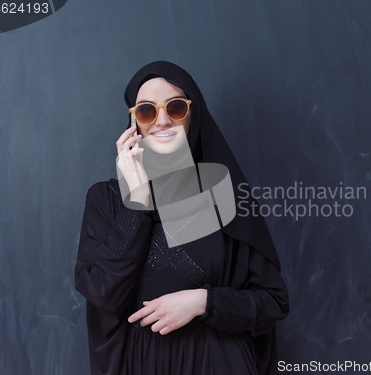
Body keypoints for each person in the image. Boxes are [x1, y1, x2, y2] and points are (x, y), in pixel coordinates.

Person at [75, 61, 289, 375]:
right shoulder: (105, 200)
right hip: (142, 364)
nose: (162, 121)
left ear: (193, 115)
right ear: (133, 122)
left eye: (175, 107)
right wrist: (137, 199)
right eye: (147, 111)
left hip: (220, 363)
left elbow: (273, 302)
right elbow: (101, 292)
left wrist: (204, 302)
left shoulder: (226, 196)